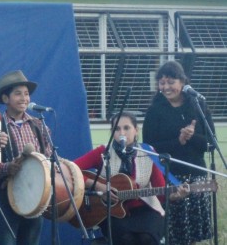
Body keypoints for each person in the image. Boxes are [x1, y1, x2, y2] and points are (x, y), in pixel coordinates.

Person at [74, 112, 188, 245]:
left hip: (146, 209)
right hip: (112, 212)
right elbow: (71, 170)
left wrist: (175, 196)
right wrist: (100, 187)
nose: (122, 132)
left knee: (147, 238)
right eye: (117, 129)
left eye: (126, 128)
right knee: (126, 239)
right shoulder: (103, 152)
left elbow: (160, 192)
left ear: (136, 130)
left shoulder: (148, 152)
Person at [142, 60, 214, 244]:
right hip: (168, 179)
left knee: (192, 236)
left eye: (171, 81)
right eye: (162, 82)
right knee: (171, 235)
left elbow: (210, 144)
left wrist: (192, 137)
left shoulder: (198, 106)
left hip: (196, 177)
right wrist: (178, 141)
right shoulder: (154, 111)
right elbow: (149, 148)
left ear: (182, 82)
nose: (166, 87)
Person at [0, 70, 52, 245]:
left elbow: (48, 158)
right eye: (18, 94)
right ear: (5, 99)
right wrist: (7, 168)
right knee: (6, 240)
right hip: (7, 194)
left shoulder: (39, 126)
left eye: (26, 94)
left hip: (35, 193)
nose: (24, 98)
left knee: (31, 240)